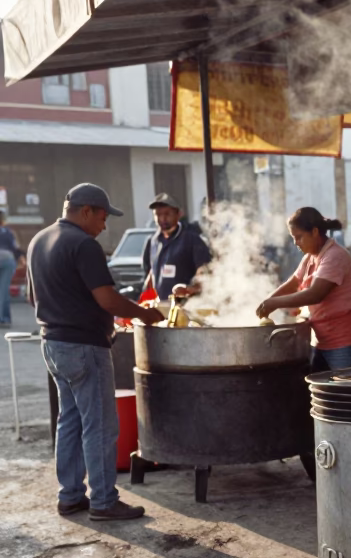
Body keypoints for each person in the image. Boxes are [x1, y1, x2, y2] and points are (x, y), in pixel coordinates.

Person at [28, 183, 166, 521]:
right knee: (100, 425)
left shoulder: (38, 240)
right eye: (102, 217)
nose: (104, 225)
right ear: (86, 211)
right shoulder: (83, 245)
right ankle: (104, 501)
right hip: (84, 347)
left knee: (70, 421)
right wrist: (145, 313)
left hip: (53, 344)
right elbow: (107, 299)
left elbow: (35, 299)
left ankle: (70, 496)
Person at [256, 207, 351, 371]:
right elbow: (294, 282)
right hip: (322, 339)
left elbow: (315, 294)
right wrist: (267, 301)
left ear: (315, 232)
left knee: (347, 392)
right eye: (293, 238)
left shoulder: (334, 256)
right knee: (320, 389)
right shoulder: (310, 257)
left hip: (345, 341)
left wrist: (274, 303)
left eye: (299, 237)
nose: (296, 243)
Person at [140, 193, 212, 301]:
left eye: (167, 214)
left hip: (187, 307)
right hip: (161, 307)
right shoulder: (152, 242)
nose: (162, 218)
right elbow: (151, 273)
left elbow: (205, 272)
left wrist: (189, 289)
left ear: (178, 214)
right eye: (157, 214)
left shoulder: (191, 239)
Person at [0, 210, 24, 327]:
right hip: (7, 258)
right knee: (3, 290)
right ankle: (4, 319)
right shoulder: (8, 232)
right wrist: (22, 260)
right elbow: (15, 248)